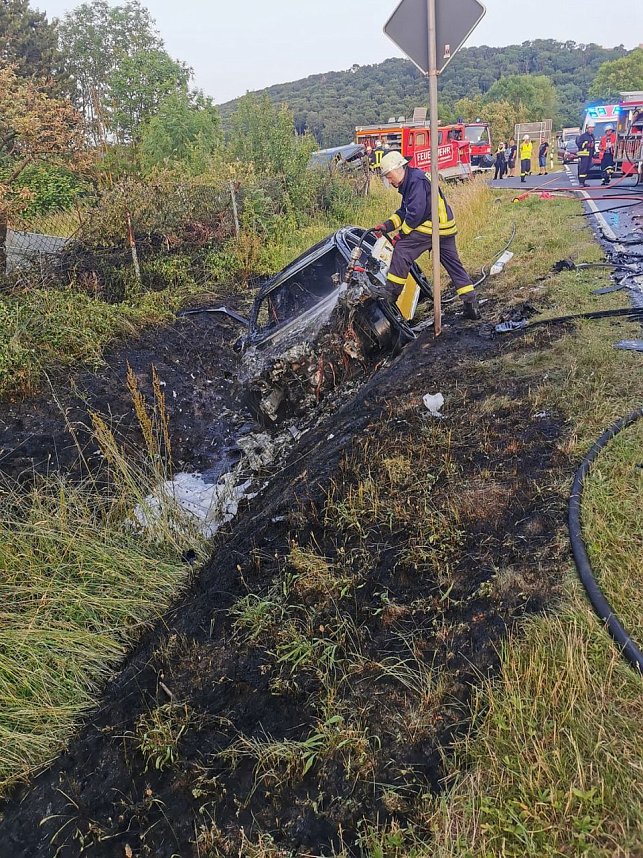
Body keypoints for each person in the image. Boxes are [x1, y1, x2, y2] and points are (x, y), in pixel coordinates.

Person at [372, 150, 481, 320]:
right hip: (444, 227)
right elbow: (404, 211)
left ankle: (390, 294)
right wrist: (386, 226)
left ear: (398, 168)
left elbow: (415, 214)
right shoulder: (411, 180)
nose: (388, 179)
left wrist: (401, 235)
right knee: (454, 265)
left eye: (389, 175)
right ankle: (471, 304)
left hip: (432, 227)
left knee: (402, 249)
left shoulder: (416, 181)